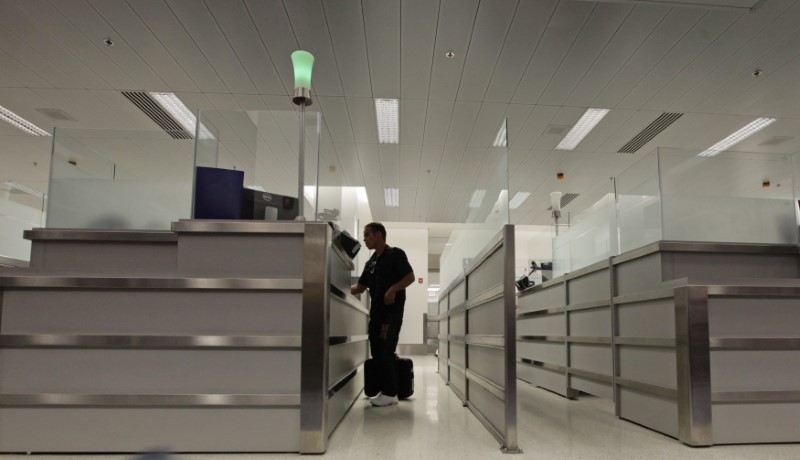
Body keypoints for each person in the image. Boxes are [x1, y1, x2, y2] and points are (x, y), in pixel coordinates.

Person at [351, 222, 415, 407]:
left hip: (391, 314)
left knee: (385, 350)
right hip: (376, 314)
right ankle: (386, 389)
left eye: (367, 234)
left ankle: (391, 393)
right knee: (377, 350)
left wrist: (393, 289)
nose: (364, 239)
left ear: (378, 234)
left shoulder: (395, 254)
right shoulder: (370, 262)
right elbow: (361, 287)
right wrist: (337, 288)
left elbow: (410, 277)